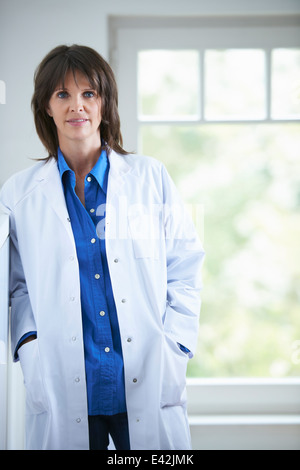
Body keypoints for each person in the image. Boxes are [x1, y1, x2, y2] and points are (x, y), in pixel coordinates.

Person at [0, 45, 205, 450]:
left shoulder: (150, 178)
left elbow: (185, 267)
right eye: (63, 94)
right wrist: (29, 346)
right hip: (63, 380)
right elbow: (15, 286)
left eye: (88, 93)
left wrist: (176, 345)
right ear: (46, 106)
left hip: (148, 375)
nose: (77, 106)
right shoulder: (20, 194)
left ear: (105, 102)